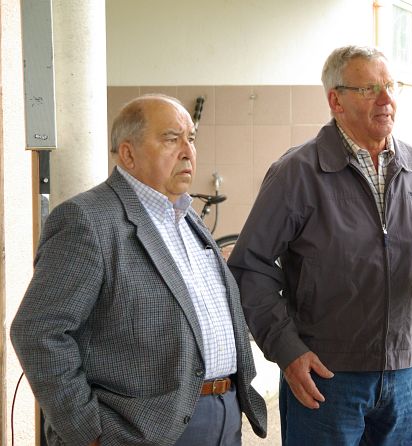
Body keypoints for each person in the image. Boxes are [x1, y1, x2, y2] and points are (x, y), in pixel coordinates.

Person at [11, 94, 267, 446]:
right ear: (128, 154)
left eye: (191, 139)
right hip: (137, 430)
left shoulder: (186, 217)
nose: (187, 151)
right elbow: (38, 331)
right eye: (171, 139)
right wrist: (89, 432)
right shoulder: (88, 220)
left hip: (222, 417)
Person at [227, 45, 412, 445]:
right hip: (326, 375)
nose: (386, 99)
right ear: (336, 101)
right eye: (369, 89)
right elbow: (249, 267)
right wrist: (287, 351)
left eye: (391, 86)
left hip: (405, 374)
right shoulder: (297, 173)